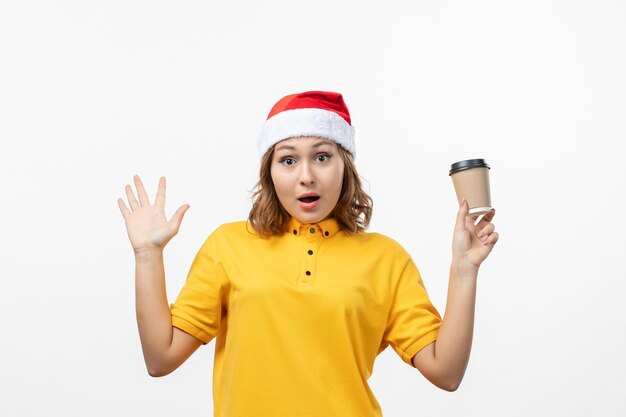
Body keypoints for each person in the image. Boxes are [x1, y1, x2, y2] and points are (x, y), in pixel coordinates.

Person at [117, 91, 499, 417]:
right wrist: (148, 254)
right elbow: (160, 358)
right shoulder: (227, 247)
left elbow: (446, 373)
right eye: (288, 159)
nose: (306, 176)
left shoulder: (386, 259)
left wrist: (464, 268)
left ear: (345, 167)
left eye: (321, 157)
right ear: (270, 173)